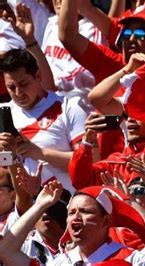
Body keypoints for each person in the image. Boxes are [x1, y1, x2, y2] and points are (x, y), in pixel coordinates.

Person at [0, 181, 145, 265]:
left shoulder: (131, 259)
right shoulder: (61, 262)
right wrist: (40, 205)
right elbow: (6, 251)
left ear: (106, 221)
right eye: (71, 212)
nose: (76, 217)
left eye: (85, 211)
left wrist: (129, 202)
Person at [0, 48, 88, 192]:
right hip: (22, 208)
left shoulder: (68, 107)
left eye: (23, 84)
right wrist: (6, 155)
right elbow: (5, 171)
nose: (18, 93)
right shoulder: (2, 114)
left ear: (38, 76)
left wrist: (40, 153)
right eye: (11, 87)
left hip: (67, 204)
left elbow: (88, 162)